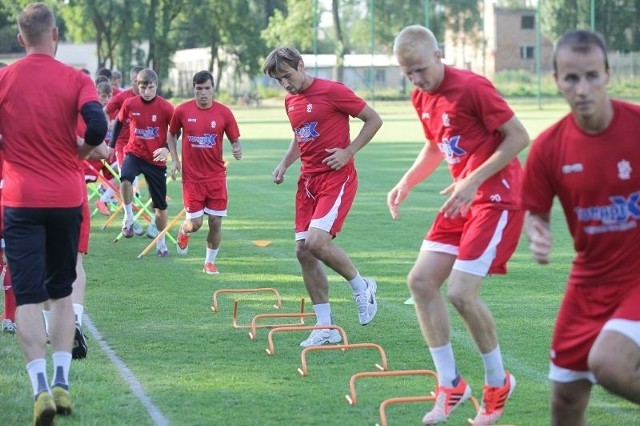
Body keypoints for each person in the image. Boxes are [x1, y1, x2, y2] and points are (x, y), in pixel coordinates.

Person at [387, 25, 529, 425]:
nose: (416, 79)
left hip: (495, 198)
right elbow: (436, 145)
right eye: (407, 73)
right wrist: (406, 183)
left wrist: (472, 179)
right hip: (461, 200)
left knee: (462, 293)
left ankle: (498, 383)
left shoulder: (472, 87)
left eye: (419, 69)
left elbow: (519, 137)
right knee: (420, 282)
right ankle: (451, 384)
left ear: (438, 55)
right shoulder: (420, 96)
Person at [521, 29, 640, 426]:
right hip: (588, 282)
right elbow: (534, 212)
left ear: (608, 73)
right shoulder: (548, 147)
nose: (583, 87)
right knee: (565, 403)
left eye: (592, 75)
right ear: (556, 81)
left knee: (609, 363)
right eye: (572, 78)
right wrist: (537, 232)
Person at [0, 3, 107, 424]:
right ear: (56, 35)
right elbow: (97, 127)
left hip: (20, 199)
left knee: (27, 296)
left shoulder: (5, 77)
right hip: (66, 196)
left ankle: (40, 387)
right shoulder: (77, 79)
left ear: (22, 38)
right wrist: (78, 152)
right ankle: (63, 380)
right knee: (61, 292)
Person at [262, 47, 382, 348]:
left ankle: (362, 285)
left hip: (336, 178)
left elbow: (373, 120)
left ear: (301, 66)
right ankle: (325, 326)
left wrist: (349, 151)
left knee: (317, 243)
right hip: (308, 182)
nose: (286, 85)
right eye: (279, 81)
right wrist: (284, 163)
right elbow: (300, 135)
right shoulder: (290, 101)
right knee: (303, 251)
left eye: (288, 76)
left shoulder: (333, 91)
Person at [168, 70, 242, 274]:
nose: (203, 93)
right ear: (194, 89)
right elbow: (171, 134)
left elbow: (235, 138)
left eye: (207, 88)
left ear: (213, 89)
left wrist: (237, 147)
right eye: (199, 89)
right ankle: (184, 230)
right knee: (196, 224)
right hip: (192, 178)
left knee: (216, 222)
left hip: (216, 176)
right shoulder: (182, 111)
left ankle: (209, 262)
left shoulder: (224, 112)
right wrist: (175, 160)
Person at [111, 68, 175, 256]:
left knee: (160, 207)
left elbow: (176, 130)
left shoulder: (165, 107)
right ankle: (128, 217)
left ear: (156, 86)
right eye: (143, 87)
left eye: (150, 87)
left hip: (155, 159)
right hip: (135, 153)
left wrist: (167, 148)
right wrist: (111, 145)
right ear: (137, 86)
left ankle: (161, 242)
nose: (146, 92)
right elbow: (118, 122)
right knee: (125, 178)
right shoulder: (130, 104)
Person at [105, 65, 154, 238]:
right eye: (137, 82)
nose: (141, 86)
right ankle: (130, 219)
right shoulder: (122, 98)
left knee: (151, 184)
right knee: (128, 180)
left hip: (145, 146)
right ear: (133, 81)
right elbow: (106, 111)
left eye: (146, 84)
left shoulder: (151, 99)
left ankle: (152, 221)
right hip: (123, 145)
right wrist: (107, 124)